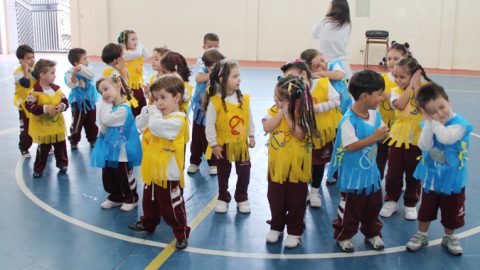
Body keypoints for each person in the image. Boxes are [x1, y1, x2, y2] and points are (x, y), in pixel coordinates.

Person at [406, 83, 472, 256]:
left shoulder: (460, 124)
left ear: (449, 101)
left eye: (441, 107)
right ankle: (422, 234)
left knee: (451, 212)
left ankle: (449, 236)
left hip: (452, 180)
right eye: (433, 111)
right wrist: (427, 125)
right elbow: (425, 146)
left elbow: (446, 137)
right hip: (432, 178)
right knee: (426, 210)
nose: (440, 113)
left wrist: (432, 121)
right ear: (426, 113)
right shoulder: (431, 124)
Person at [328, 70, 389, 253]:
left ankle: (372, 232)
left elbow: (379, 135)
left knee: (373, 207)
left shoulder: (375, 115)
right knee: (350, 210)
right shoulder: (348, 120)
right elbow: (351, 146)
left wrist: (383, 135)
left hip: (371, 175)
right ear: (364, 96)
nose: (381, 98)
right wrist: (375, 137)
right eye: (378, 94)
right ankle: (344, 235)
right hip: (353, 178)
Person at [129, 74, 190, 250]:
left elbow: (156, 127)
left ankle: (181, 233)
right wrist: (145, 111)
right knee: (149, 200)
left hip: (168, 173)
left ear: (177, 97)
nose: (159, 103)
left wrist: (153, 112)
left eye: (163, 98)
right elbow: (139, 124)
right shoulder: (158, 114)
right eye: (156, 98)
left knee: (172, 205)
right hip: (152, 168)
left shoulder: (179, 119)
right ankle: (148, 223)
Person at [263, 75, 319, 248]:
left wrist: (288, 115)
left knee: (296, 201)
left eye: (278, 99)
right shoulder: (274, 111)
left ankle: (295, 231)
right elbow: (267, 127)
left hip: (297, 170)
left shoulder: (305, 115)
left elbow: (300, 134)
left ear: (291, 101)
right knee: (275, 198)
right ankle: (276, 226)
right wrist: (281, 112)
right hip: (277, 168)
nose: (274, 99)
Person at [380, 56, 432, 220]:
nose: (398, 80)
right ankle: (391, 201)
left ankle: (410, 203)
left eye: (402, 77)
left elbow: (424, 106)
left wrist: (416, 85)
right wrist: (410, 85)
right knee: (394, 172)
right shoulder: (396, 91)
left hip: (417, 139)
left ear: (414, 75)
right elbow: (401, 105)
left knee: (413, 173)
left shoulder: (424, 90)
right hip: (398, 138)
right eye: (396, 76)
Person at [204, 59, 255, 213]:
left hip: (241, 145)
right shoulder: (215, 101)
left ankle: (242, 197)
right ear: (222, 79)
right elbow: (210, 125)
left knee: (244, 172)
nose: (239, 79)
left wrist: (251, 135)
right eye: (234, 76)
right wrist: (213, 144)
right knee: (223, 173)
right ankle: (223, 197)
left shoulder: (243, 99)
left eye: (239, 75)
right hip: (223, 145)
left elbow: (249, 118)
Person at [90, 76, 142, 212]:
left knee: (123, 175)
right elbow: (102, 123)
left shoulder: (123, 109)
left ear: (118, 86)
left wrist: (105, 104)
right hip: (110, 149)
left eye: (106, 89)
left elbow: (105, 120)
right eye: (101, 92)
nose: (104, 94)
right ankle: (116, 196)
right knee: (108, 175)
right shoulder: (111, 107)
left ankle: (131, 198)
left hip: (122, 151)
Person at [26, 59, 69, 178]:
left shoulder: (57, 89)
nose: (55, 75)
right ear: (42, 75)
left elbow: (65, 101)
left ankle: (62, 163)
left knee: (61, 146)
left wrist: (62, 106)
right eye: (52, 73)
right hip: (43, 128)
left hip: (57, 126)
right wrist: (44, 108)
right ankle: (39, 168)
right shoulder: (34, 92)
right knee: (43, 150)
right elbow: (29, 105)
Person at [187, 48, 225, 175]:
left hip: (212, 114)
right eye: (212, 66)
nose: (215, 69)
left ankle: (213, 163)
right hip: (199, 113)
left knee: (210, 138)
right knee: (196, 139)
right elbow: (198, 78)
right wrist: (210, 74)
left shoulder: (222, 77)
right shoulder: (203, 72)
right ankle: (194, 161)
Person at [377, 41, 411, 180]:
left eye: (396, 59)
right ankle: (377, 179)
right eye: (389, 58)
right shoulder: (381, 78)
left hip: (401, 126)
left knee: (398, 157)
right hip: (382, 123)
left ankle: (397, 180)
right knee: (380, 155)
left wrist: (388, 96)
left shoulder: (406, 81)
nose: (391, 62)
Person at [64, 48, 99, 149]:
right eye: (84, 59)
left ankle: (92, 139)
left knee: (91, 121)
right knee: (77, 122)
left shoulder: (89, 68)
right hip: (78, 103)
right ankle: (74, 140)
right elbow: (71, 84)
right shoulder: (69, 73)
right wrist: (75, 74)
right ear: (76, 63)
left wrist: (81, 68)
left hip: (89, 101)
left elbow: (90, 75)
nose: (87, 60)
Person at [301, 48, 352, 114]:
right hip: (331, 108)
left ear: (322, 55)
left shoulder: (334, 65)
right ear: (310, 71)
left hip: (346, 104)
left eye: (322, 60)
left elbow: (339, 75)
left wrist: (320, 73)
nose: (323, 65)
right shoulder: (313, 77)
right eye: (317, 66)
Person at [312, 0, 352, 80]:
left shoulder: (325, 21)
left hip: (325, 66)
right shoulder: (348, 24)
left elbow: (314, 34)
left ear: (333, 7)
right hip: (343, 67)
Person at [118, 30, 149, 117]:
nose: (136, 42)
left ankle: (140, 124)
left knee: (142, 106)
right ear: (125, 43)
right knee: (132, 109)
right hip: (128, 87)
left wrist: (140, 46)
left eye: (136, 39)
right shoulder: (125, 54)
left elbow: (147, 55)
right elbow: (137, 53)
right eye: (133, 39)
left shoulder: (136, 51)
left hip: (137, 86)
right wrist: (140, 46)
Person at [13, 44, 36, 158]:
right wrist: (27, 69)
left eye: (33, 57)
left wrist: (31, 69)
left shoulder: (35, 68)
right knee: (26, 128)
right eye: (28, 58)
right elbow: (26, 84)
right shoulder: (18, 72)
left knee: (40, 123)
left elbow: (40, 77)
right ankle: (24, 147)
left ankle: (44, 143)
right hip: (24, 106)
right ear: (21, 60)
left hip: (36, 103)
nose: (32, 60)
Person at [101, 43, 137, 109]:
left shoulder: (114, 68)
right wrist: (122, 71)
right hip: (118, 105)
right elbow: (125, 88)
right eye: (122, 55)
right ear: (116, 60)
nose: (124, 58)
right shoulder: (113, 73)